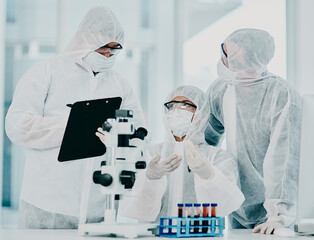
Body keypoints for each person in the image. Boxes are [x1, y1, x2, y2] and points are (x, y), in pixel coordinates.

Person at [5, 6, 145, 229]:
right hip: (46, 206)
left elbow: (138, 133)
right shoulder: (46, 72)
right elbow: (17, 126)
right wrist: (71, 126)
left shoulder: (120, 85)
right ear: (86, 40)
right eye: (103, 48)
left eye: (114, 50)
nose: (108, 55)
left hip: (100, 209)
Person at [205, 28, 302, 235]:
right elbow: (204, 144)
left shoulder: (281, 94)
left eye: (227, 54)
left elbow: (284, 157)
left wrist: (279, 215)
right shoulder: (220, 90)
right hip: (236, 205)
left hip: (276, 212)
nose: (222, 59)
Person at [114, 85, 245, 222]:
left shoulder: (218, 158)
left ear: (202, 114)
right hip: (156, 235)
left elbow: (227, 205)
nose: (176, 111)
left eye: (185, 105)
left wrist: (209, 175)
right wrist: (150, 178)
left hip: (200, 236)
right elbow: (133, 210)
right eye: (172, 106)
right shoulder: (150, 154)